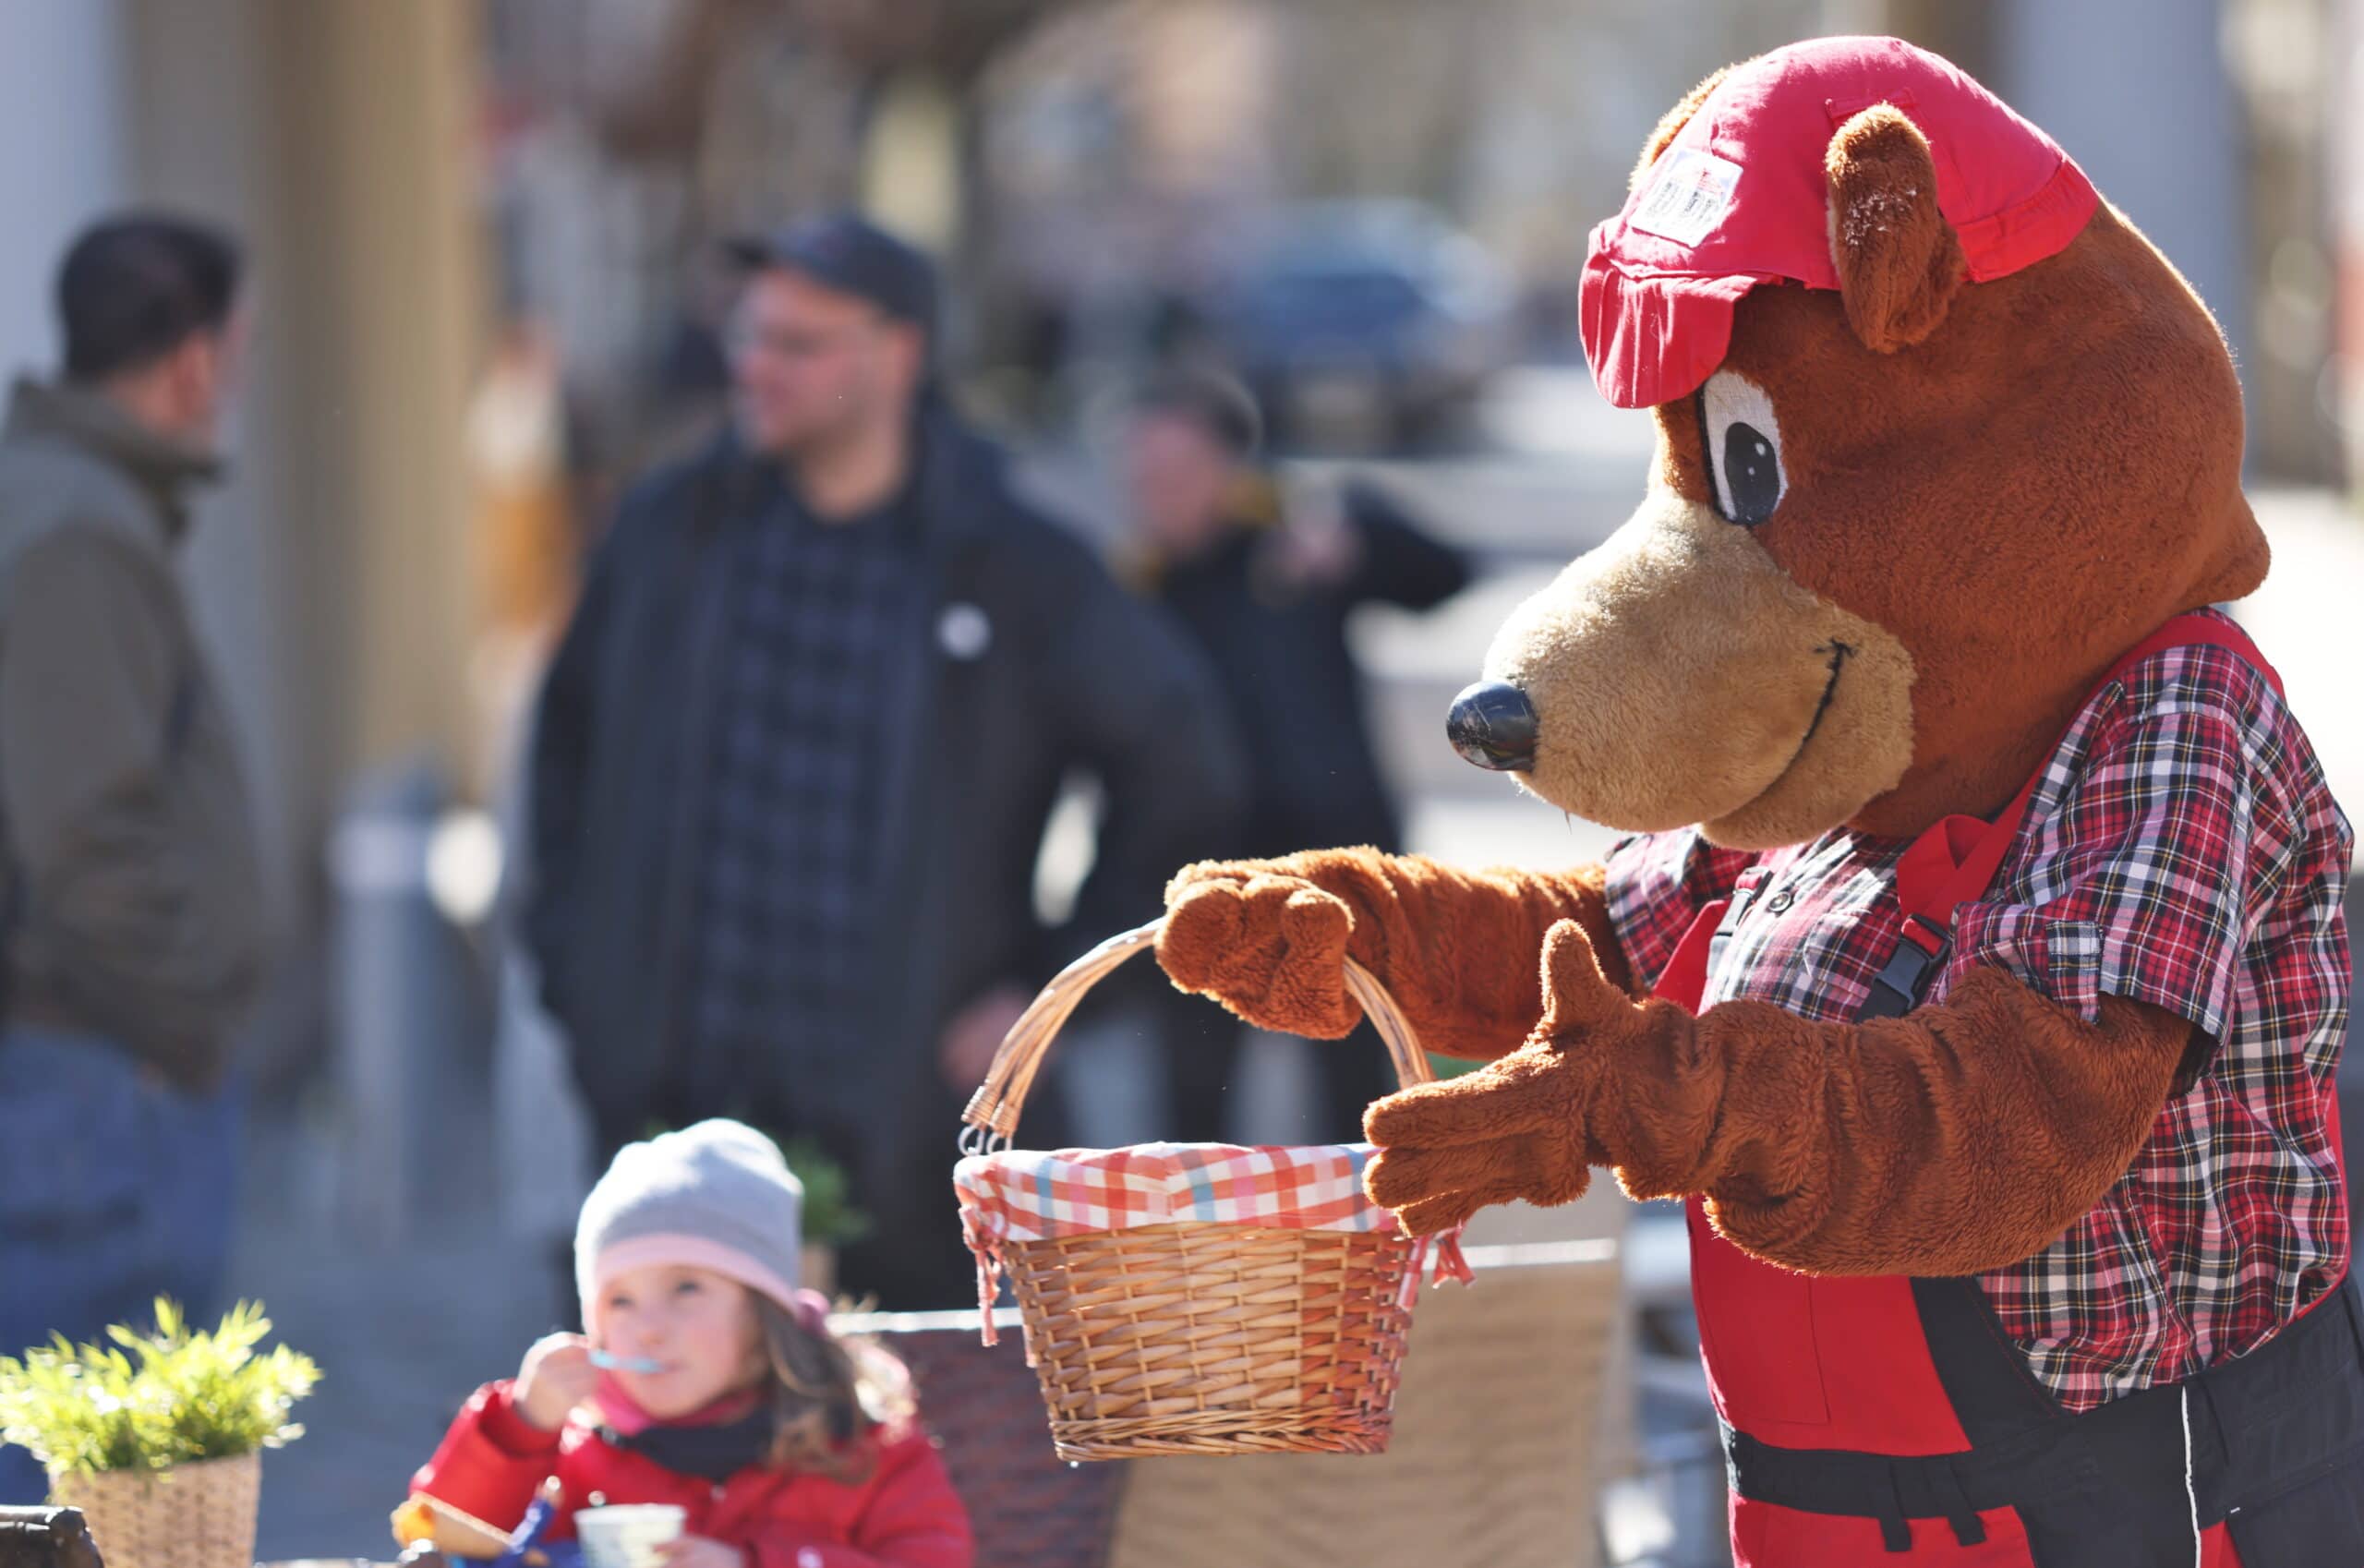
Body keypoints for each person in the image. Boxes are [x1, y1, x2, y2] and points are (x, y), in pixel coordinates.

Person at [525, 214, 1244, 1310]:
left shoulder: (1011, 563)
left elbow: (1185, 773)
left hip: (907, 1147)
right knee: (667, 1459)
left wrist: (1047, 991)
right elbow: (562, 756)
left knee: (926, 1466)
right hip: (671, 1123)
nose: (754, 369)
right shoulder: (669, 533)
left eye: (796, 345)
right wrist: (581, 982)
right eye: (748, 339)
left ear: (896, 355)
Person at [0, 213, 265, 1502]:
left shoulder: (75, 503)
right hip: (91, 1080)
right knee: (92, 1499)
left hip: (93, 1071)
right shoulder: (73, 525)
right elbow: (86, 835)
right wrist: (182, 1031)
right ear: (197, 360)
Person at [1124, 368, 1469, 1144]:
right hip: (1200, 875)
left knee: (1350, 1093)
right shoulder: (1137, 593)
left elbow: (1444, 573)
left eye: (1177, 472)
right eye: (1144, 476)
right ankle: (1201, 1257)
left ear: (1227, 468)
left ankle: (1356, 1252)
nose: (1157, 492)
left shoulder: (1293, 548)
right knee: (1192, 1106)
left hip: (1330, 866)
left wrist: (1357, 536)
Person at [407, 1121, 971, 1568]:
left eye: (686, 1288)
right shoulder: (572, 1449)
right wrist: (520, 1426)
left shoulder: (862, 1444)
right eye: (619, 1301)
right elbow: (438, 1536)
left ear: (763, 1314)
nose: (647, 1327)